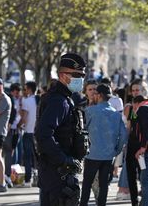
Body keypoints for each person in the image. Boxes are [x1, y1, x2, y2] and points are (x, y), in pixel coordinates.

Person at [35, 53, 88, 205]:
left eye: (82, 75)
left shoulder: (64, 99)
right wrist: (63, 160)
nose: (80, 79)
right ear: (63, 75)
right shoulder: (59, 101)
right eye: (76, 75)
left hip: (58, 172)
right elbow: (43, 134)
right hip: (57, 173)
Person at [80, 84, 127, 206]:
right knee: (104, 184)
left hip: (92, 154)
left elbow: (83, 130)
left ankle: (83, 204)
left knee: (86, 183)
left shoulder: (90, 111)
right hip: (108, 155)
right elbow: (123, 134)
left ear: (99, 95)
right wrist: (117, 150)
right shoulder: (116, 114)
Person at [19, 81, 38, 187]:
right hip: (37, 132)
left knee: (27, 156)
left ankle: (28, 180)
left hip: (28, 131)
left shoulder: (26, 101)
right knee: (37, 156)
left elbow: (24, 117)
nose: (24, 91)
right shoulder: (38, 100)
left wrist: (19, 124)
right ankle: (37, 176)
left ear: (30, 89)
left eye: (25, 89)